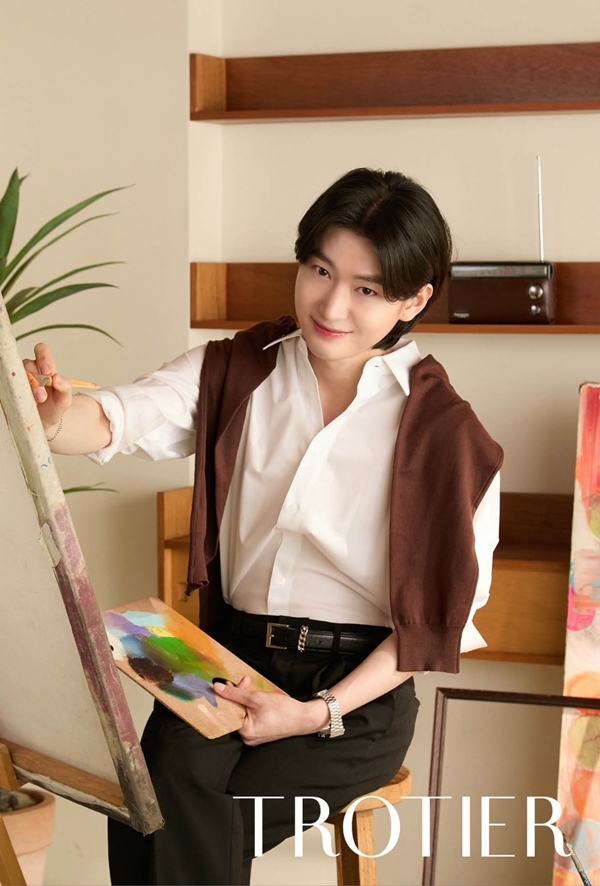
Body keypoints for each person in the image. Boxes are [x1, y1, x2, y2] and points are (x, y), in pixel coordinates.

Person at [25, 168, 503, 886]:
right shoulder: (238, 370)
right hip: (226, 663)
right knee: (147, 792)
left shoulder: (449, 437)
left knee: (192, 811)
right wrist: (55, 418)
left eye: (368, 289)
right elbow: (120, 417)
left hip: (355, 694)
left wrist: (315, 713)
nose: (332, 305)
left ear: (414, 299)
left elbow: (436, 627)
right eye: (320, 271)